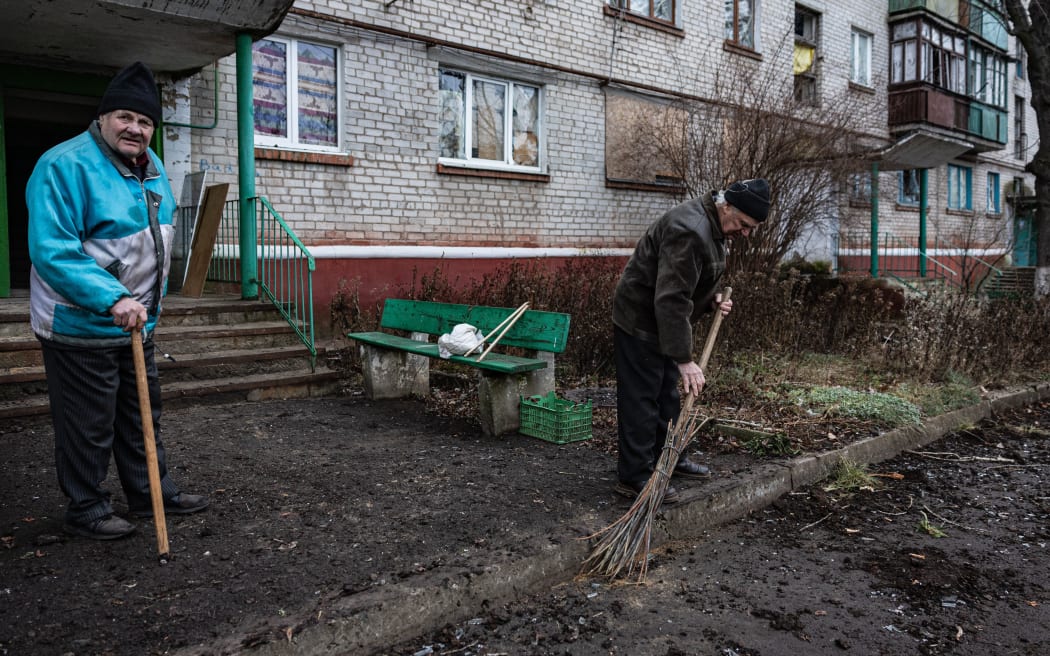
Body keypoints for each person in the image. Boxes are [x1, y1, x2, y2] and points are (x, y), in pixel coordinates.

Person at [27, 61, 209, 540]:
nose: (136, 128)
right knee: (89, 422)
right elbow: (54, 251)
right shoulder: (63, 166)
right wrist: (112, 298)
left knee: (140, 412)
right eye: (126, 117)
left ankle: (151, 491)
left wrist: (145, 306)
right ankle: (86, 507)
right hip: (80, 323)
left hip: (136, 323)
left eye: (146, 122)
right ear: (104, 118)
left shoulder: (152, 171)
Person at [612, 178, 771, 504]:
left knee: (667, 396)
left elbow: (686, 279)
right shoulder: (690, 229)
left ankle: (667, 459)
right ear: (727, 205)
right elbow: (670, 299)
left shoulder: (714, 224)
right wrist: (685, 360)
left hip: (663, 322)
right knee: (642, 399)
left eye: (750, 228)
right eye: (743, 224)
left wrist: (710, 298)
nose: (745, 233)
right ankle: (635, 476)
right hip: (640, 321)